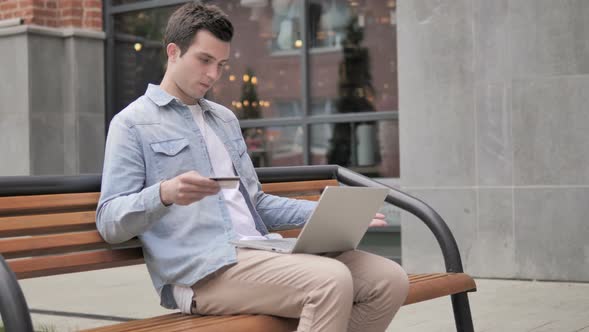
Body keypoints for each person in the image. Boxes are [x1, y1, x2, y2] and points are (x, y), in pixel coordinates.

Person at [96, 2, 408, 331]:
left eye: (221, 64)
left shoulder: (224, 120)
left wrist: (319, 214)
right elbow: (109, 221)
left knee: (389, 280)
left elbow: (255, 202)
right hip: (201, 272)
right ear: (173, 52)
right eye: (204, 60)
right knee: (330, 281)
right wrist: (164, 193)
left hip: (260, 250)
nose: (213, 75)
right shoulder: (133, 124)